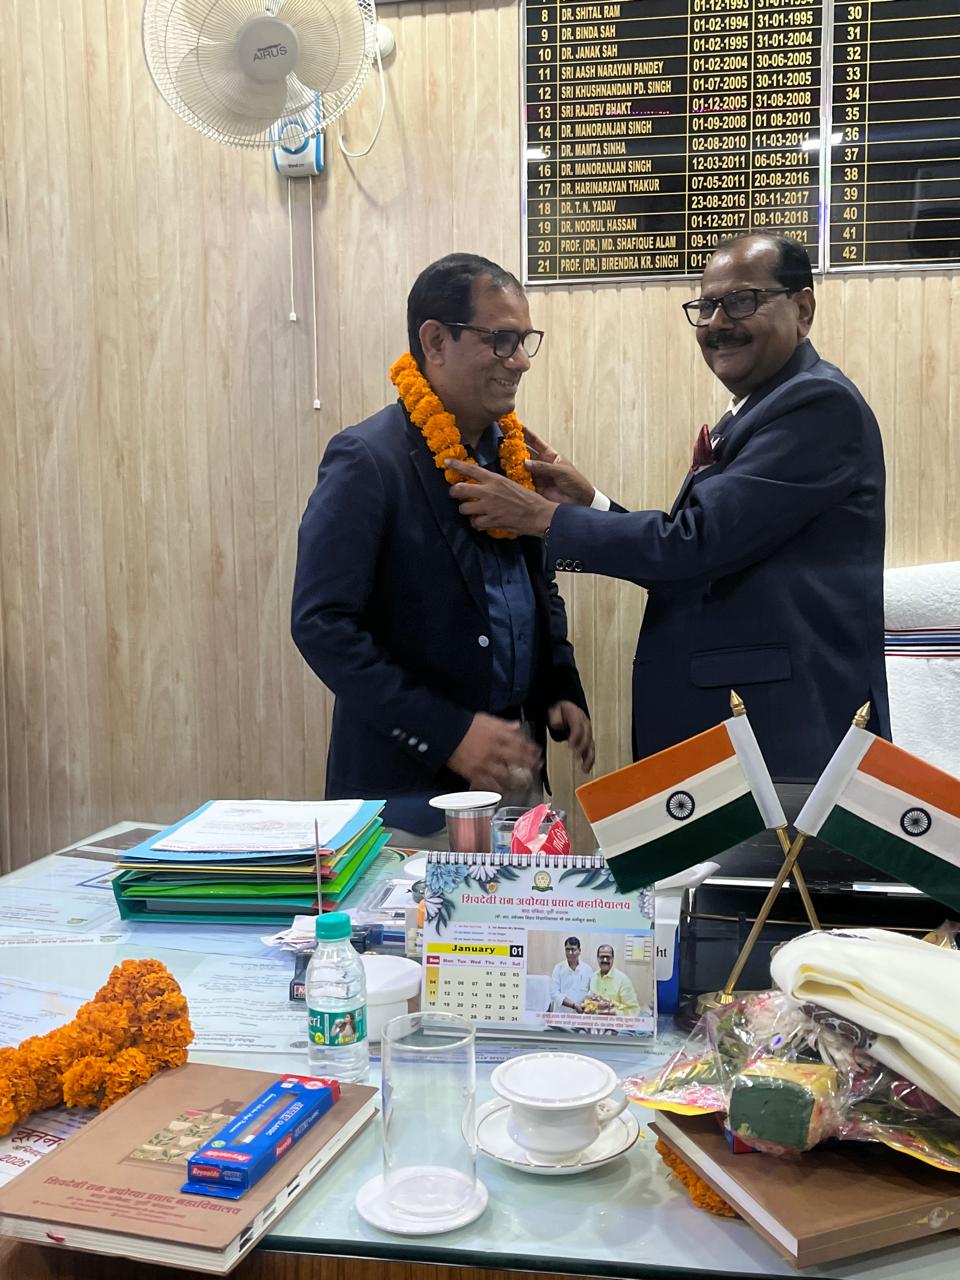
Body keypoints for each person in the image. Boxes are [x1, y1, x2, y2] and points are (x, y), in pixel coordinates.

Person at [445, 234, 890, 782]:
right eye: (707, 306)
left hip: (783, 738)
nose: (717, 322)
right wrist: (590, 503)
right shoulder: (761, 406)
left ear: (802, 309)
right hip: (749, 736)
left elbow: (693, 547)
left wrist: (541, 518)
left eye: (742, 301)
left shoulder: (817, 404)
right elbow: (700, 549)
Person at [291, 253, 594, 843]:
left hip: (514, 783)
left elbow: (535, 589)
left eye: (524, 340)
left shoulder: (512, 457)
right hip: (406, 799)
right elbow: (321, 625)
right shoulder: (367, 460)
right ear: (435, 341)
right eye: (501, 340)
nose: (521, 361)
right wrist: (448, 731)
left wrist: (560, 686)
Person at [587, 945, 640, 1015]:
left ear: (613, 959)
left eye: (608, 957)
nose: (605, 960)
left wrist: (613, 1012)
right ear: (597, 958)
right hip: (595, 1021)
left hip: (615, 1021)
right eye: (602, 957)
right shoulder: (593, 977)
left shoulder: (623, 980)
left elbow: (634, 1010)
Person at [549, 936, 593, 1013]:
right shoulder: (558, 968)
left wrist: (584, 1004)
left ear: (579, 951)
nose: (570, 953)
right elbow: (554, 993)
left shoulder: (588, 969)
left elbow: (592, 991)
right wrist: (573, 1005)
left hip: (582, 1012)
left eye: (573, 949)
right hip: (562, 1014)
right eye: (567, 949)